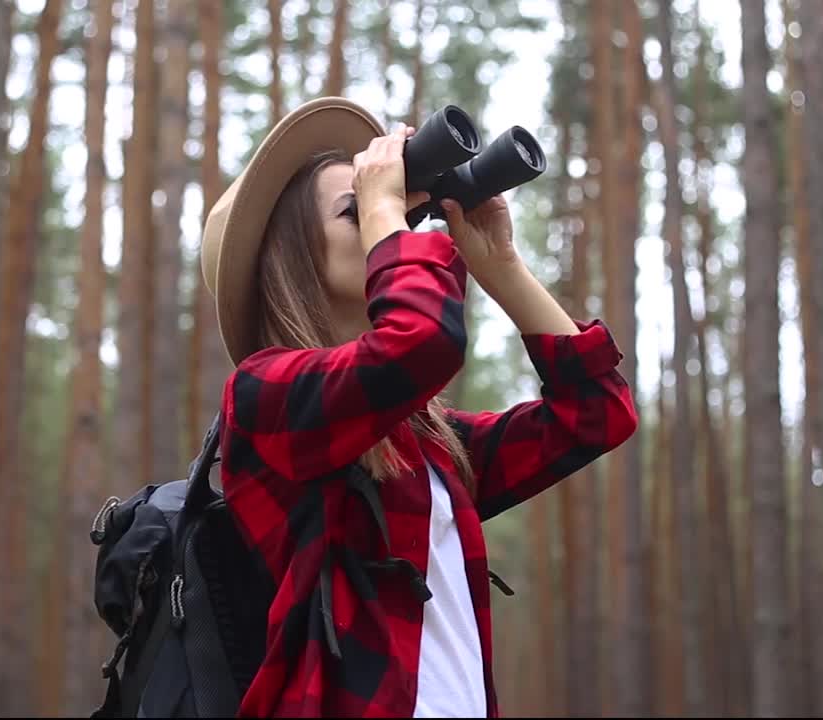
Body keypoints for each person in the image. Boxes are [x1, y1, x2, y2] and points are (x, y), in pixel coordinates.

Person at [197, 97, 638, 718]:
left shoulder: (425, 448)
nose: (393, 220)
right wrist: (386, 214)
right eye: (356, 210)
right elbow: (420, 344)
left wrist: (502, 267)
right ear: (295, 259)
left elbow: (597, 412)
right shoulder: (263, 398)